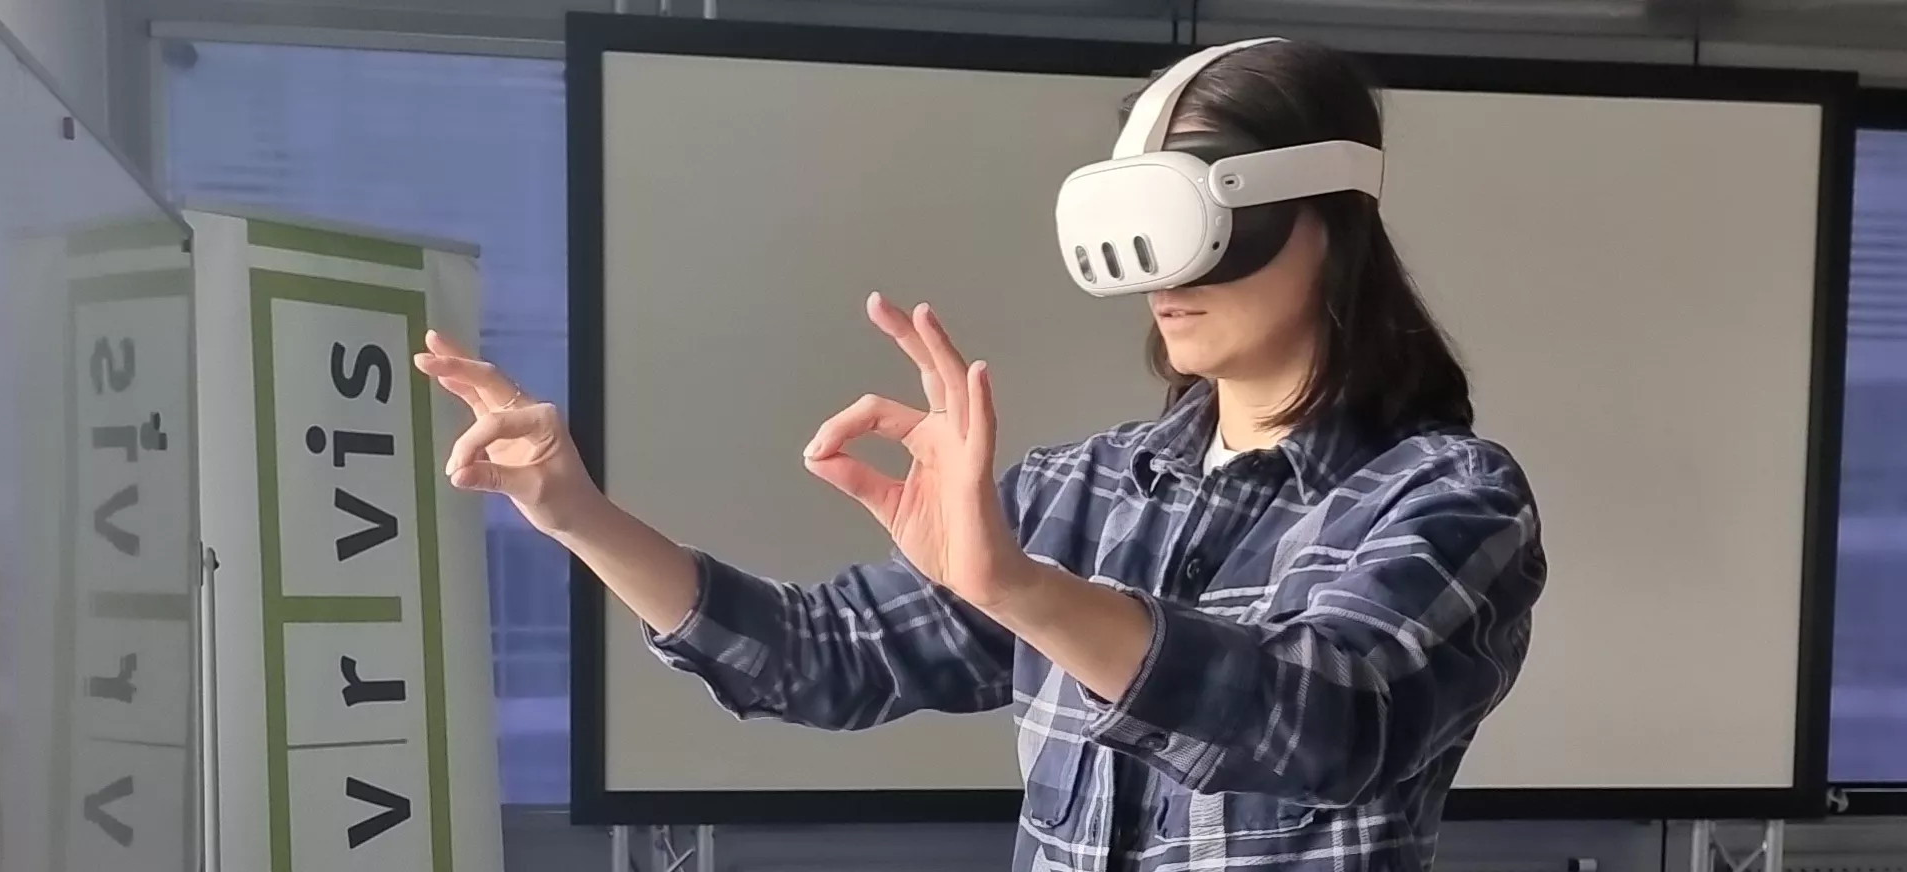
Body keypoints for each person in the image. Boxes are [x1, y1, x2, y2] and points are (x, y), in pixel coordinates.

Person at [416, 37, 1543, 872]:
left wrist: (1018, 589)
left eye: (1200, 218)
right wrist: (575, 511)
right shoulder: (1082, 492)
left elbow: (1327, 720)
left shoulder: (1443, 497)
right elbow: (820, 656)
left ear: (1328, 218)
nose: (1165, 274)